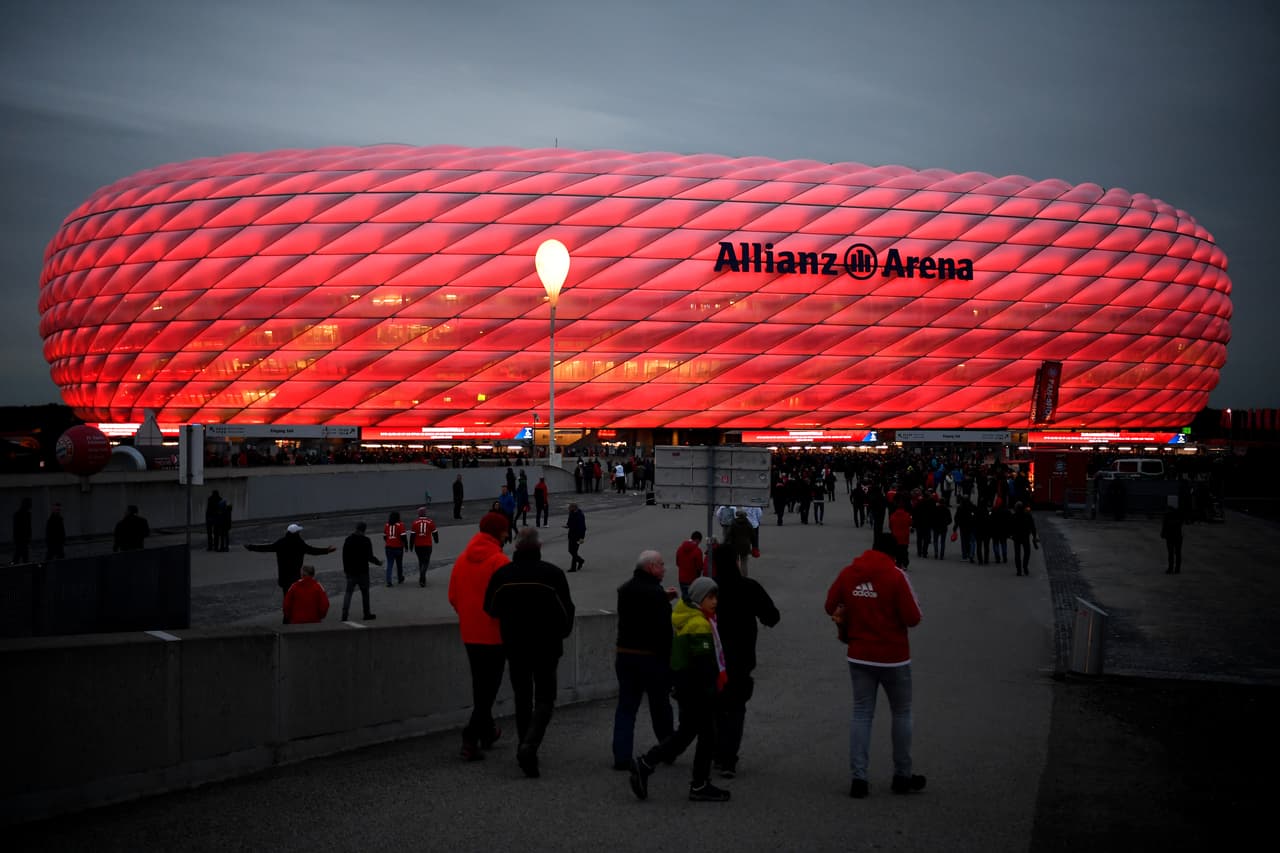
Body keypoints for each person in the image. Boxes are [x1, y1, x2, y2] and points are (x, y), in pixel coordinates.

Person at [824, 532, 925, 799]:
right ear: (893, 554)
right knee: (901, 713)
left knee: (861, 714)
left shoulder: (849, 572)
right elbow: (913, 617)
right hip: (894, 656)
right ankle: (902, 775)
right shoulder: (896, 576)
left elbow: (829, 604)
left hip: (859, 654)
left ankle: (859, 778)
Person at [483, 527, 576, 778]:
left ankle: (524, 746)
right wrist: (561, 633)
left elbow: (490, 608)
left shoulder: (503, 575)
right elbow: (567, 611)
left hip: (515, 646)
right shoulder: (552, 574)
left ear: (516, 547)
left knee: (522, 697)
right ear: (539, 547)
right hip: (547, 646)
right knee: (545, 698)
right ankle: (530, 746)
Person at [629, 576, 730, 803]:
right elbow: (704, 665)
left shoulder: (687, 617)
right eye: (710, 597)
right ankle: (698, 784)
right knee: (706, 735)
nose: (715, 602)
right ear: (699, 599)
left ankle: (646, 764)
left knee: (685, 735)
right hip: (697, 690)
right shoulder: (699, 624)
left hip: (685, 687)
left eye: (716, 597)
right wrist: (713, 692)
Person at [711, 543, 780, 780]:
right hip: (741, 656)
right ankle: (729, 758)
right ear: (736, 562)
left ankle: (717, 751)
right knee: (736, 707)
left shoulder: (710, 588)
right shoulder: (749, 587)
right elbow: (772, 616)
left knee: (717, 706)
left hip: (714, 657)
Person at [447, 510, 510, 761]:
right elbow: (508, 603)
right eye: (505, 531)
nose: (507, 535)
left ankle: (488, 731)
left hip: (470, 633)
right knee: (489, 691)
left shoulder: (462, 559)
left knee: (480, 687)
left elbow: (453, 596)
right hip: (495, 635)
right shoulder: (500, 562)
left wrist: (469, 615)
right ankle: (470, 738)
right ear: (499, 533)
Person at [612, 550, 677, 771]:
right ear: (651, 567)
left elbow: (638, 609)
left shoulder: (625, 589)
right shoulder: (656, 594)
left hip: (625, 654)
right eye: (661, 564)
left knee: (626, 706)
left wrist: (662, 597)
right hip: (651, 657)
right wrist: (670, 664)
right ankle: (668, 748)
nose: (664, 568)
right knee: (660, 706)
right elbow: (664, 632)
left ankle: (621, 756)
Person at [246, 523, 335, 599]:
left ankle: (287, 614)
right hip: (295, 577)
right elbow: (313, 550)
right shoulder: (299, 543)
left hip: (284, 577)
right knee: (297, 598)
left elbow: (266, 548)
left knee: (287, 598)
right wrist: (326, 550)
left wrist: (251, 547)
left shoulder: (281, 543)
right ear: (296, 533)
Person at [340, 521, 381, 621]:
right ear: (364, 530)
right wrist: (378, 562)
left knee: (348, 593)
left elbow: (344, 557)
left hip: (351, 571)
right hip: (363, 571)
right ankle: (366, 614)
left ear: (356, 528)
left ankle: (344, 614)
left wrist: (346, 570)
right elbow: (370, 557)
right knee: (365, 593)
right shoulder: (366, 540)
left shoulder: (348, 540)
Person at [410, 507, 439, 587]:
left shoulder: (415, 523)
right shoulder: (430, 521)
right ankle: (422, 576)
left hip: (418, 545)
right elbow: (435, 532)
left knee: (421, 561)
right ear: (425, 513)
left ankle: (422, 578)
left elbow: (412, 536)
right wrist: (436, 540)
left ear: (419, 514)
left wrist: (411, 546)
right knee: (426, 562)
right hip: (427, 545)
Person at [1010, 502, 1039, 576]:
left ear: (1016, 508)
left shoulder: (1014, 516)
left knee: (1017, 554)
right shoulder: (1027, 516)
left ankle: (1019, 570)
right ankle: (1025, 566)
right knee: (1027, 552)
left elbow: (1010, 527)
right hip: (1025, 536)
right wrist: (1034, 536)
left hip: (1016, 537)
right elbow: (1032, 527)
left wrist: (1011, 535)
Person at [675, 531, 705, 601]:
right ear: (697, 540)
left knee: (685, 598)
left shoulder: (680, 549)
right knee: (693, 599)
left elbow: (678, 563)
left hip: (682, 579)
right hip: (693, 580)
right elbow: (699, 567)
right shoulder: (697, 551)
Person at [383, 510, 408, 587]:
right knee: (399, 564)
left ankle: (388, 581)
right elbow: (403, 537)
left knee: (389, 564)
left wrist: (389, 541)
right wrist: (406, 546)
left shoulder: (387, 525)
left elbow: (384, 536)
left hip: (388, 547)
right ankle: (400, 578)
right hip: (398, 547)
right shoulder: (400, 525)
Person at [728, 509, 754, 576]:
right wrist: (754, 546)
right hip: (745, 545)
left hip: (735, 545)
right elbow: (753, 535)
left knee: (735, 561)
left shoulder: (733, 523)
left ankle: (737, 575)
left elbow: (729, 534)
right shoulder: (748, 524)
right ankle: (744, 576)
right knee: (744, 562)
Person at [1160, 504, 1183, 574]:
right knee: (1177, 553)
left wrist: (1163, 534)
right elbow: (1181, 523)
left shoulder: (1167, 516)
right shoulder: (1178, 515)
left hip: (1170, 536)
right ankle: (1177, 569)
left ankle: (1170, 568)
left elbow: (1164, 525)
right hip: (1178, 536)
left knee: (1171, 553)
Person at [888, 500, 912, 568]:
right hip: (905, 535)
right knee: (904, 550)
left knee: (897, 550)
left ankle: (898, 562)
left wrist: (893, 530)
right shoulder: (907, 515)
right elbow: (910, 523)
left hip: (896, 535)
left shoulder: (893, 515)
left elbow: (890, 525)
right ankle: (905, 562)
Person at [565, 502, 586, 572]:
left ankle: (573, 568)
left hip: (578, 536)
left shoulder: (580, 515)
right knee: (570, 550)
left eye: (570, 507)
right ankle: (580, 560)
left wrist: (582, 538)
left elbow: (583, 527)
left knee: (574, 551)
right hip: (571, 535)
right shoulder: (571, 513)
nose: (568, 509)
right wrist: (567, 525)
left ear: (574, 508)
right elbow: (569, 522)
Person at [12, 497, 32, 564]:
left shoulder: (25, 514)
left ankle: (16, 566)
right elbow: (17, 528)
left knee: (21, 555)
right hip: (21, 539)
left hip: (22, 539)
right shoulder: (20, 514)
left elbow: (28, 527)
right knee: (20, 555)